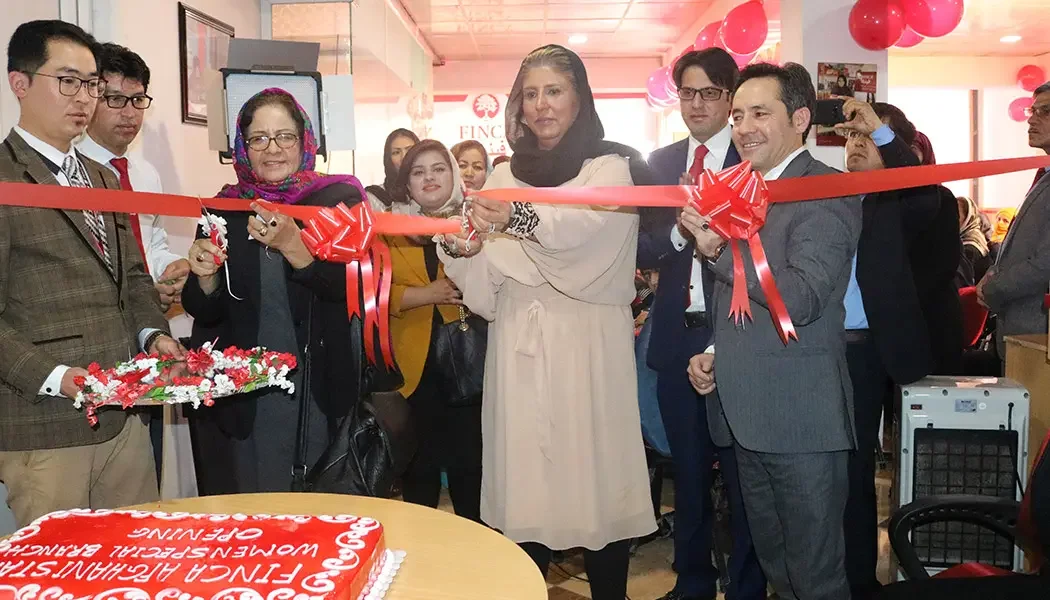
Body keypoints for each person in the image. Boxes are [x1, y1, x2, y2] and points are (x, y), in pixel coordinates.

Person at [437, 44, 656, 599]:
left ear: (580, 97)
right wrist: (464, 251)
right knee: (525, 481)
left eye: (553, 91)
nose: (541, 105)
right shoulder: (505, 172)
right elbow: (492, 280)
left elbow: (584, 238)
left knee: (596, 478)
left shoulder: (610, 167)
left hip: (587, 346)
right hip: (518, 345)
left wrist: (522, 221)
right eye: (530, 94)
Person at [682, 62, 862, 600]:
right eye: (737, 115)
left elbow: (801, 298)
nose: (744, 128)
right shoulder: (742, 189)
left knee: (817, 578)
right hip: (745, 413)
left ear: (801, 118)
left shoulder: (826, 188)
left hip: (801, 419)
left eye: (761, 113)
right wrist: (715, 349)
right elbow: (739, 297)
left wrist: (715, 249)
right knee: (779, 572)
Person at [0, 20, 178, 526]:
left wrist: (153, 336)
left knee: (139, 566)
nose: (84, 97)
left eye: (91, 83)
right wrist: (58, 379)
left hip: (123, 421)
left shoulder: (103, 178)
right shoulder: (5, 177)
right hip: (46, 424)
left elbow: (134, 279)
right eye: (67, 80)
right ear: (21, 83)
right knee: (58, 577)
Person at [182, 88, 367, 495]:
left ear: (305, 141)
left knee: (325, 515)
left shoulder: (338, 200)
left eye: (284, 136)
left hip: (318, 385)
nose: (272, 149)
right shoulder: (224, 208)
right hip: (249, 392)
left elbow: (351, 291)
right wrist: (206, 276)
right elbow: (203, 310)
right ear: (241, 148)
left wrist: (295, 248)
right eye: (258, 138)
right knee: (259, 508)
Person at [638, 47, 764, 600]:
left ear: (730, 97)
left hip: (736, 335)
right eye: (686, 93)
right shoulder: (660, 164)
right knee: (686, 474)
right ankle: (691, 581)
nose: (696, 104)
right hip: (673, 334)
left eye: (709, 92)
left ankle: (746, 585)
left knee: (741, 478)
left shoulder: (754, 157)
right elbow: (642, 244)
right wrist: (678, 234)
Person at [836, 98, 961, 599]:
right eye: (852, 136)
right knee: (854, 470)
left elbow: (922, 187)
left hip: (904, 348)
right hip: (851, 353)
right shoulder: (833, 196)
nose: (857, 145)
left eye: (869, 137)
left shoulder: (904, 199)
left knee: (917, 464)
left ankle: (920, 566)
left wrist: (887, 139)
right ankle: (858, 580)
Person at [76, 41, 196, 499]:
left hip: (153, 333)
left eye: (137, 99)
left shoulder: (143, 173)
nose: (129, 113)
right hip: (99, 342)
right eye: (114, 99)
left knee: (144, 472)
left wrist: (175, 268)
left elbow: (152, 243)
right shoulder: (72, 174)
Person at [385, 139, 483, 523]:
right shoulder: (390, 228)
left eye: (438, 168)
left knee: (470, 472)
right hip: (414, 367)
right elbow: (373, 291)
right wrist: (428, 294)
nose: (429, 178)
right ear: (406, 183)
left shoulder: (479, 222)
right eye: (418, 171)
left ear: (454, 174)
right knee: (419, 474)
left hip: (471, 363)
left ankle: (476, 564)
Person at [978, 81, 1050, 361]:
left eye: (1045, 111)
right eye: (1033, 111)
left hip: (1038, 335)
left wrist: (993, 288)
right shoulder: (1043, 174)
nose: (1032, 119)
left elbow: (1044, 264)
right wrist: (995, 272)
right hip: (1025, 334)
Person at [366, 128, 418, 212]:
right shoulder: (374, 198)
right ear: (389, 159)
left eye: (409, 150)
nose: (404, 157)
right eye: (396, 152)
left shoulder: (432, 190)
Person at [956, 195, 991, 287]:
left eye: (957, 215)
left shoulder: (970, 247)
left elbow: (961, 282)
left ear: (968, 218)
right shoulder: (972, 238)